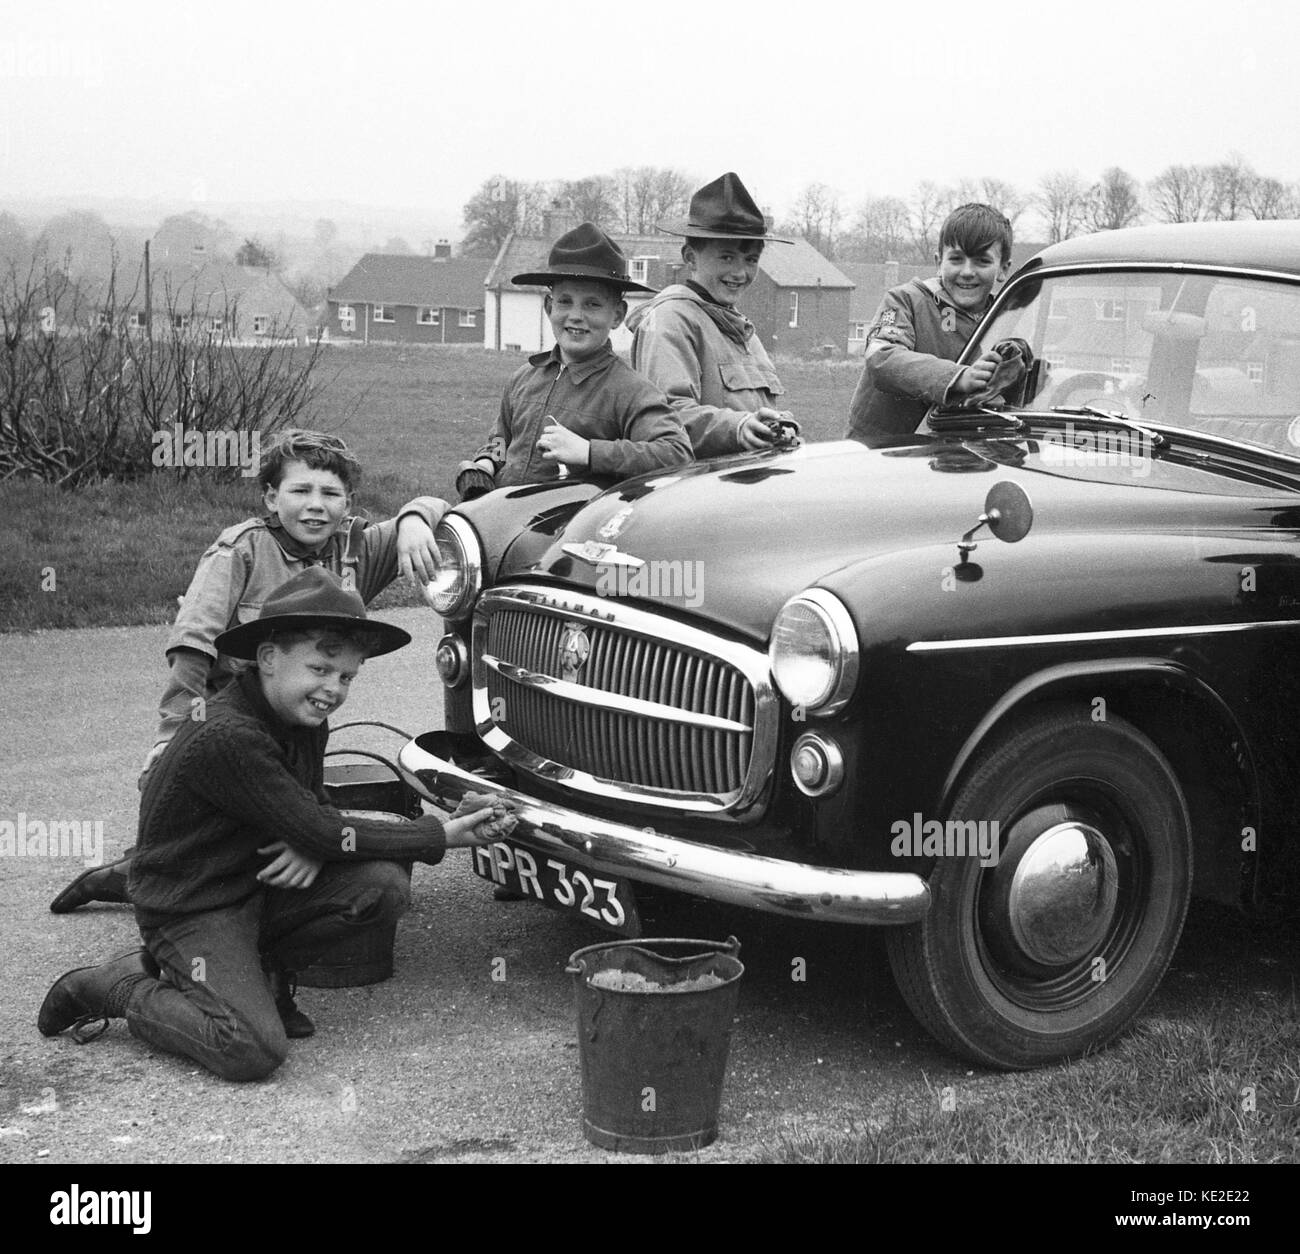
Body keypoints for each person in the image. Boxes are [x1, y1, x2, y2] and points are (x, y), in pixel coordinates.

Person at [38, 568, 517, 1080]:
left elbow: (315, 815)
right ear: (268, 659)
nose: (332, 689)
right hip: (194, 904)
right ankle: (116, 985)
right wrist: (442, 833)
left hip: (256, 880)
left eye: (347, 677)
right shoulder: (229, 735)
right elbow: (320, 825)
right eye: (319, 668)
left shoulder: (301, 715)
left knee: (380, 887)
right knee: (249, 1049)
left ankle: (265, 973)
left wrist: (314, 841)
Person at [49, 428, 447, 913]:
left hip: (299, 726)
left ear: (349, 502)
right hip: (227, 722)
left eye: (331, 494)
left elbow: (436, 503)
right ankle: (137, 877)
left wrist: (411, 520)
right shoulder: (240, 549)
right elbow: (193, 644)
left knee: (286, 832)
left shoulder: (357, 547)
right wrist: (172, 732)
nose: (315, 506)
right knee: (219, 837)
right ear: (270, 496)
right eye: (300, 491)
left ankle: (221, 890)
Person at [454, 222, 691, 501]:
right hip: (503, 520)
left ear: (617, 315)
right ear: (548, 306)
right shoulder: (523, 378)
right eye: (565, 301)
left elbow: (677, 453)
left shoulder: (632, 391)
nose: (576, 316)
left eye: (592, 304)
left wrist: (589, 452)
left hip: (566, 532)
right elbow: (500, 440)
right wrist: (486, 463)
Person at [626, 172, 798, 458]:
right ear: (690, 257)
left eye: (751, 259)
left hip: (743, 487)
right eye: (726, 257)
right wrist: (738, 427)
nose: (740, 273)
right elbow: (665, 417)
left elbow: (752, 414)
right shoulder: (672, 319)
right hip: (699, 493)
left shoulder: (738, 328)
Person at [846, 203, 1014, 442]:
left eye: (982, 262)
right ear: (938, 262)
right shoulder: (905, 300)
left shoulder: (1005, 318)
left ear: (1003, 269)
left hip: (960, 453)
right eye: (956, 259)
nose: (967, 271)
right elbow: (881, 356)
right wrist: (957, 377)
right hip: (882, 452)